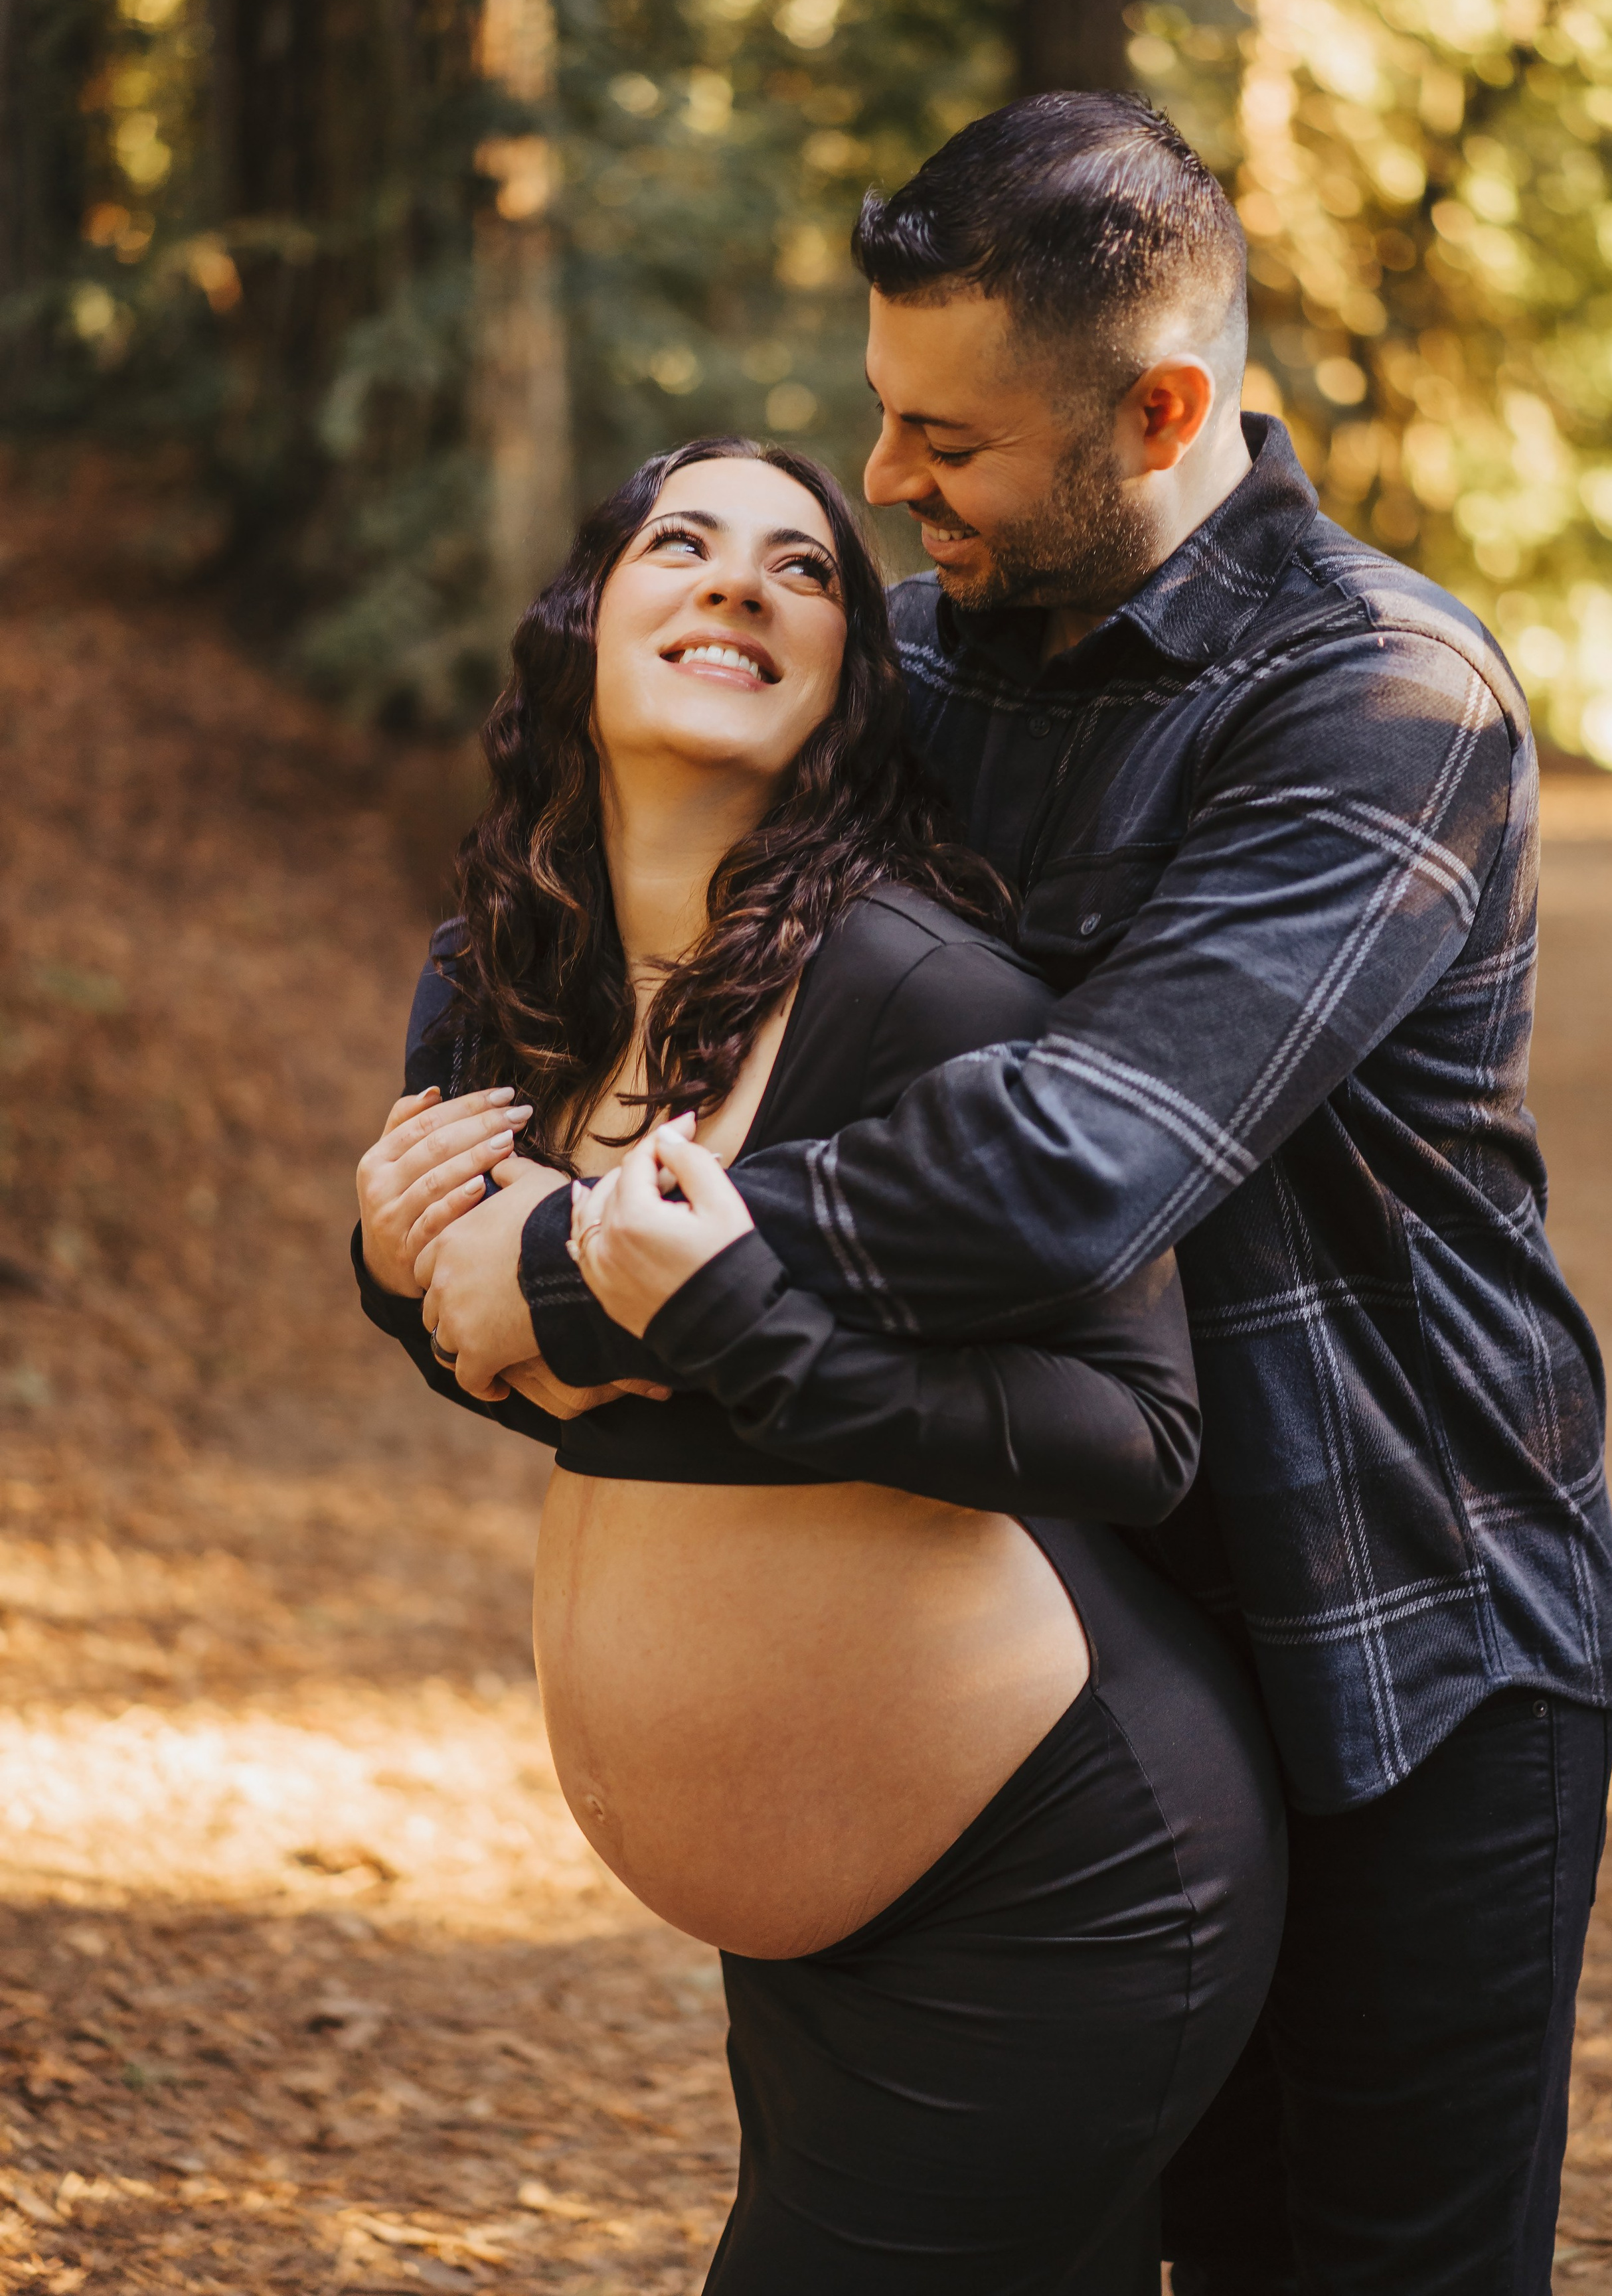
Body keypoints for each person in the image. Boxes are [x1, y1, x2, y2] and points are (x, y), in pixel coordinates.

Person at [402, 96, 1612, 2296]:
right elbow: (608, 890)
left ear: (1159, 412)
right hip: (1024, 1652)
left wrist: (586, 1268)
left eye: (943, 441)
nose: (883, 486)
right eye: (883, 416)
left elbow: (1080, 1154)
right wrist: (433, 1211)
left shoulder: (1380, 697)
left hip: (1389, 1632)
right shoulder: (934, 655)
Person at [354, 435, 1286, 2293]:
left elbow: (1139, 1429)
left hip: (1058, 1876)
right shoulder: (503, 975)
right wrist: (398, 1281)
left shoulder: (918, 991)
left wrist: (735, 1324)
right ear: (587, 622)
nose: (737, 582)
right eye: (681, 543)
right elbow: (546, 1354)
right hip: (814, 1919)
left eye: (803, 569)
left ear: (849, 676)